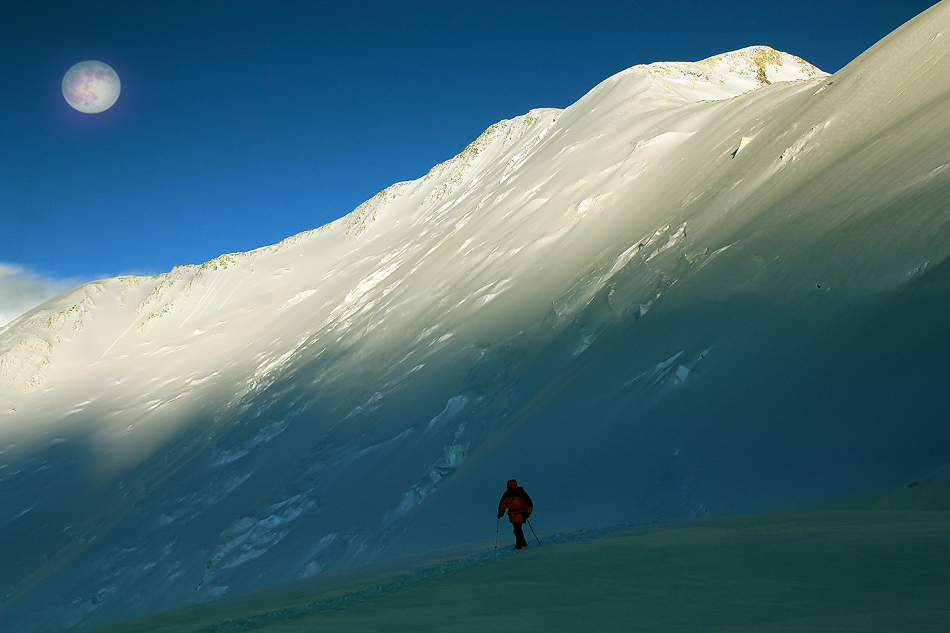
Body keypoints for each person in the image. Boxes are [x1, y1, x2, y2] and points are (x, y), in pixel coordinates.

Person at [497, 479, 533, 549]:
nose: (510, 489)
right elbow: (503, 504)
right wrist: (501, 512)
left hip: (520, 514)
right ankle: (522, 543)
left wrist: (527, 513)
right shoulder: (507, 494)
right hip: (513, 515)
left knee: (517, 529)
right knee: (517, 529)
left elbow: (529, 504)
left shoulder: (521, 493)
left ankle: (519, 544)